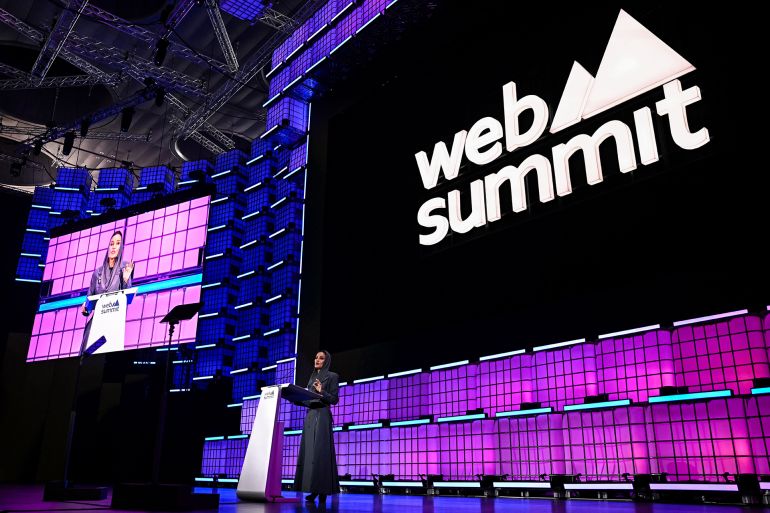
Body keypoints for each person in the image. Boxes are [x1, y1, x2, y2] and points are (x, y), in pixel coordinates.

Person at [294, 350, 340, 503]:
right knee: (310, 455)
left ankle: (323, 491)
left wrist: (322, 391)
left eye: (321, 358)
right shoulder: (312, 377)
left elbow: (334, 399)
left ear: (326, 361)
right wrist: (295, 397)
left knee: (321, 455)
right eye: (316, 357)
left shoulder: (332, 376)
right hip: (310, 416)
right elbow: (308, 399)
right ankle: (312, 489)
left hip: (322, 416)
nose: (317, 360)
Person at [80, 231, 134, 348]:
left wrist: (125, 279)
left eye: (118, 243)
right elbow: (89, 301)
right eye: (111, 243)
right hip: (95, 324)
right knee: (88, 355)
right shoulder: (97, 273)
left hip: (111, 326)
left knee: (102, 358)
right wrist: (85, 308)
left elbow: (127, 298)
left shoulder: (124, 268)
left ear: (121, 247)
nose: (114, 246)